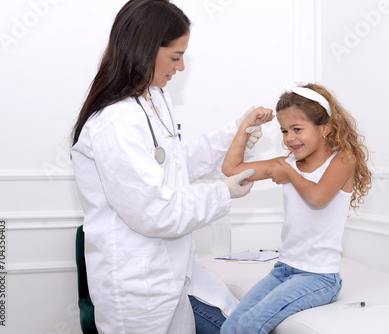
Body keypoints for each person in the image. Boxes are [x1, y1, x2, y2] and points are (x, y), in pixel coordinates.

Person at [70, 1, 272, 333]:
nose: (179, 68)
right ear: (144, 49)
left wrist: (234, 133)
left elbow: (174, 165)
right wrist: (222, 193)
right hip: (137, 287)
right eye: (175, 57)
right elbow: (154, 211)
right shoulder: (115, 121)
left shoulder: (153, 98)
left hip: (171, 272)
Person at [220, 82, 372, 334]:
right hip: (283, 270)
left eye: (297, 129)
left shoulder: (343, 160)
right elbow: (231, 169)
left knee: (250, 325)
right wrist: (247, 127)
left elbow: (318, 197)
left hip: (319, 278)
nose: (289, 138)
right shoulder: (287, 163)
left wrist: (289, 173)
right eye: (284, 131)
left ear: (325, 128)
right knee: (231, 325)